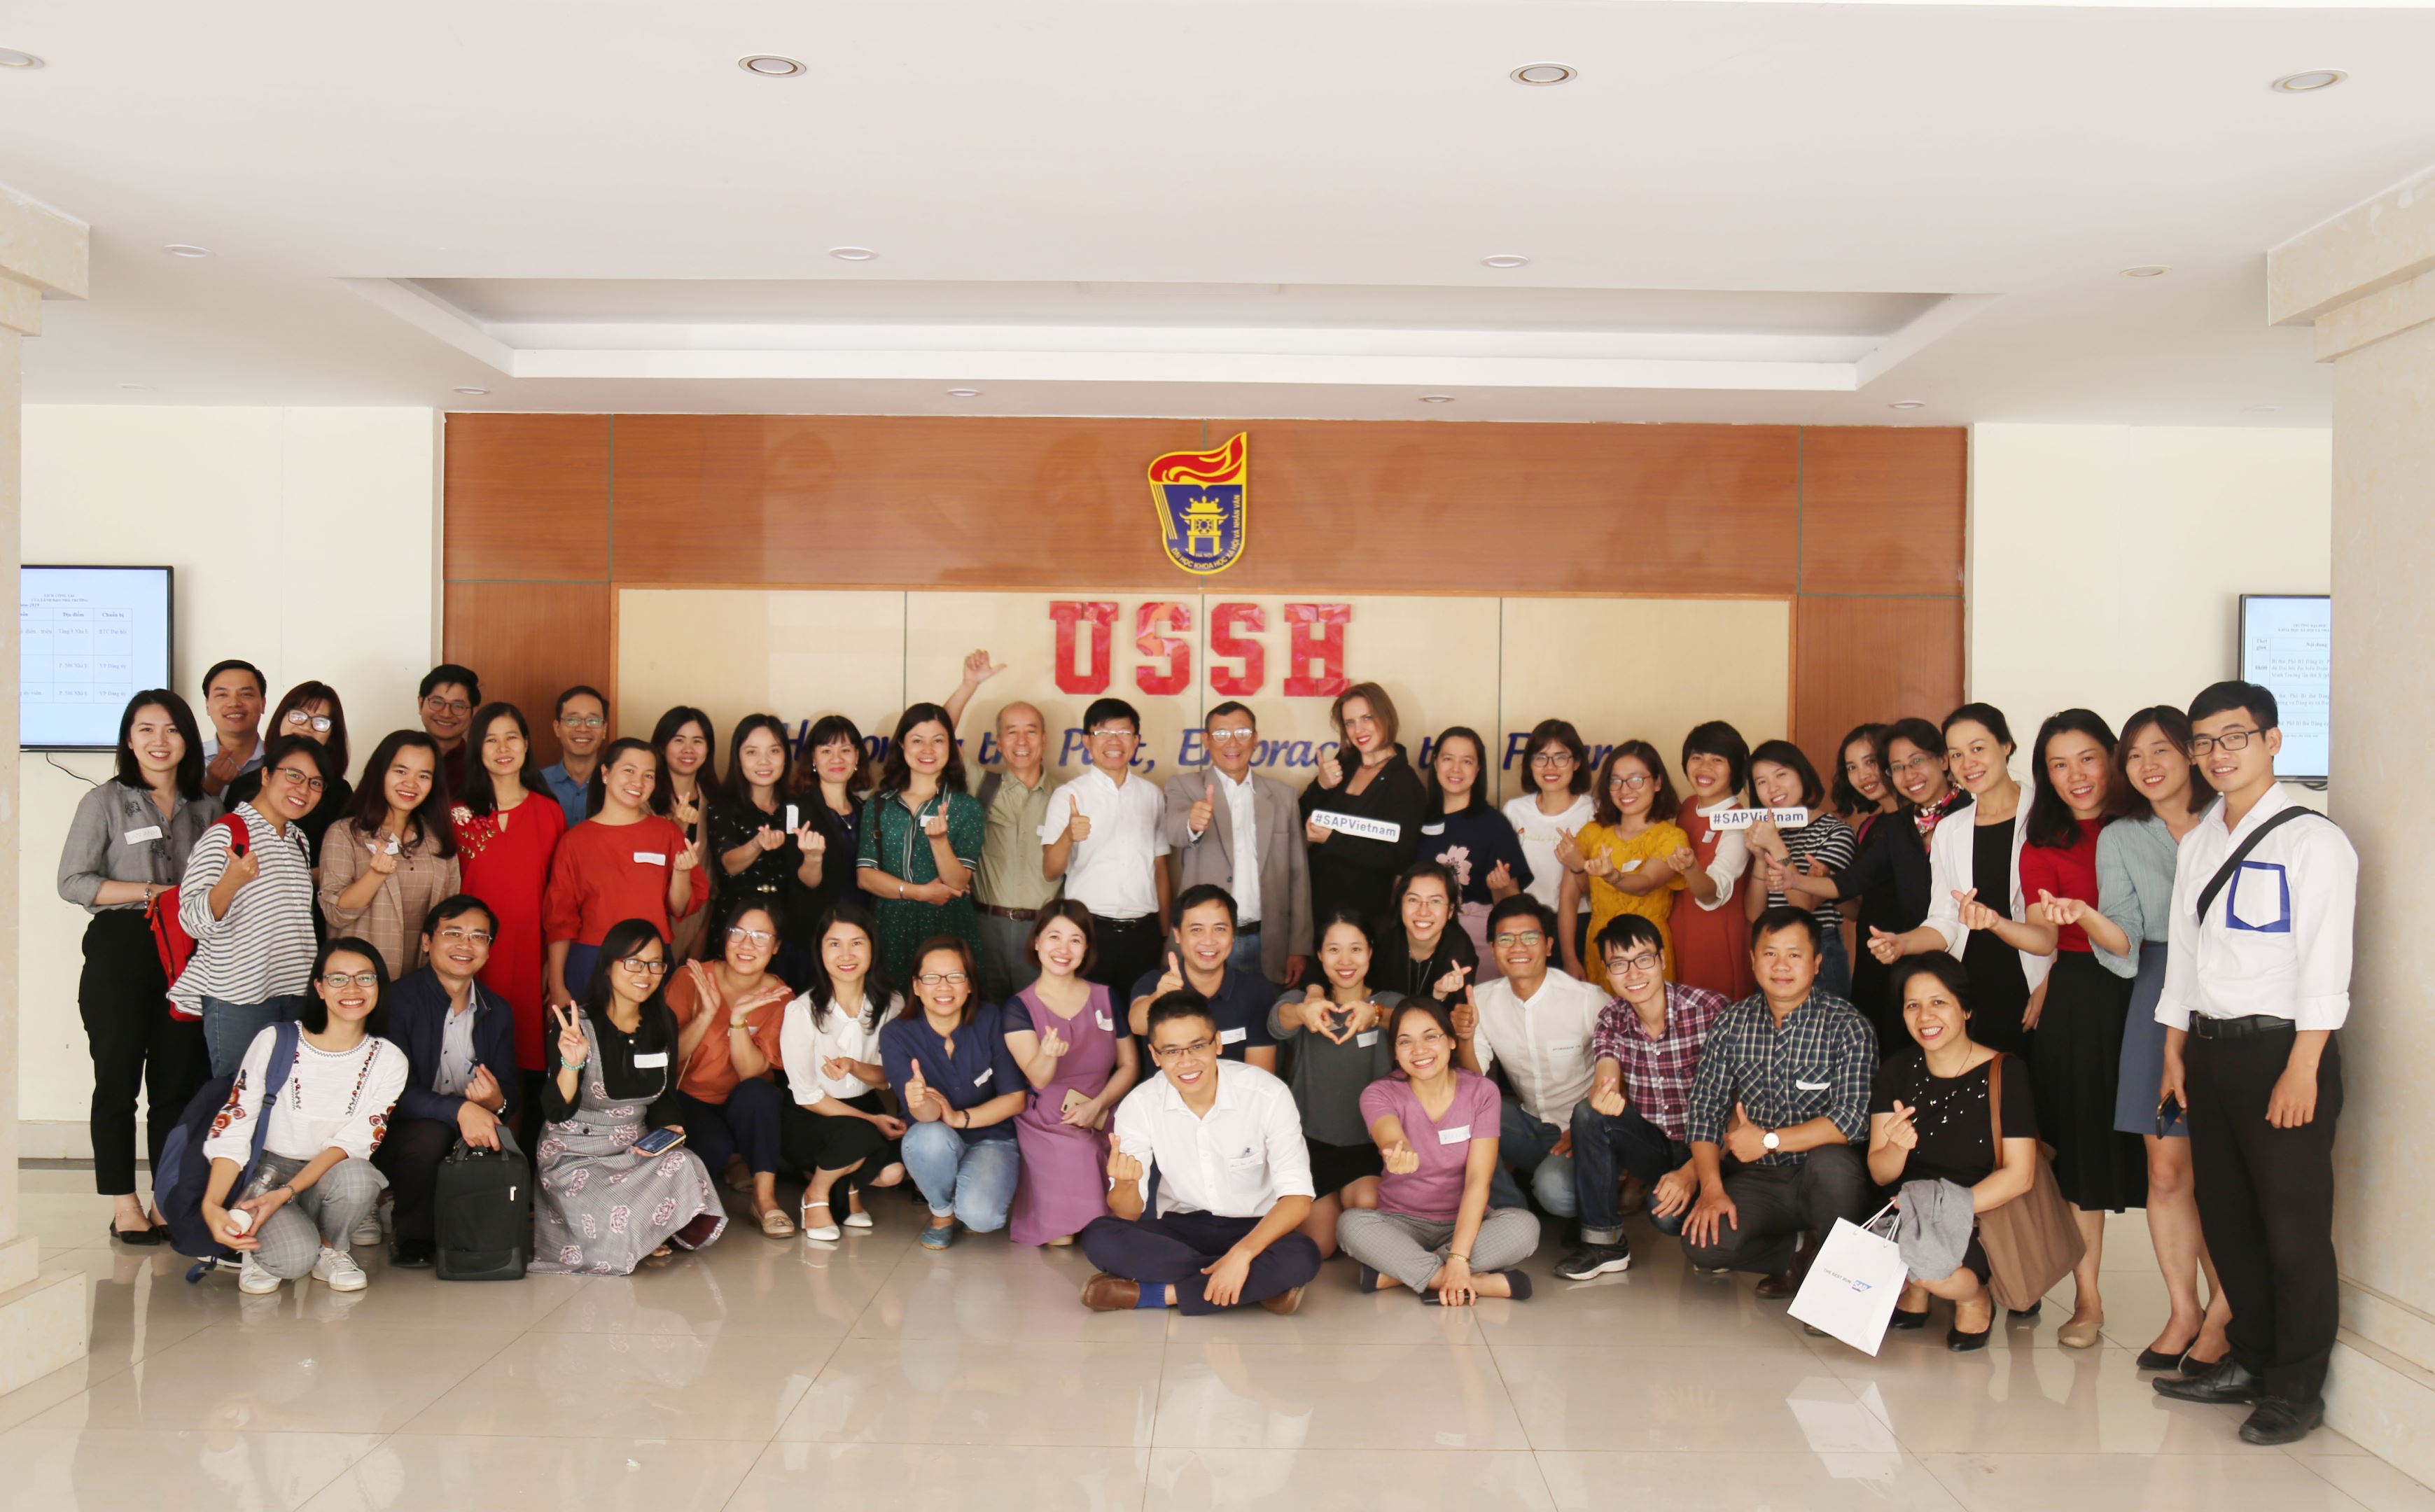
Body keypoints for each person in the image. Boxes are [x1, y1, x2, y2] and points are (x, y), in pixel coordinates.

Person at [2151, 681, 2355, 1446]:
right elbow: (2185, 957)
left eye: (2233, 737)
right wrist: (2173, 1050)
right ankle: (2252, 1359)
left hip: (2283, 1052)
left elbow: (2326, 962)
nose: (2217, 754)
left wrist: (2304, 1067)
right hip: (2208, 1050)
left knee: (2292, 1228)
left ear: (2271, 741)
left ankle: (2297, 1389)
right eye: (2204, 742)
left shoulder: (2313, 841)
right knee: (2229, 1218)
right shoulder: (2200, 840)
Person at [2045, 706, 2229, 1371]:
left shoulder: (2231, 817)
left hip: (2232, 985)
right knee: (2166, 1168)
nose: (2147, 766)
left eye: (2162, 751)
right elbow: (2123, 941)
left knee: (2223, 1169)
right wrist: (2086, 916)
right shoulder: (2122, 836)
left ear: (2192, 754)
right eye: (2135, 755)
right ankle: (2184, 1311)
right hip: (2156, 986)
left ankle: (2228, 1313)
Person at [57, 690, 220, 1242]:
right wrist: (155, 892)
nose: (159, 741)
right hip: (122, 948)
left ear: (188, 740)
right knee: (117, 1078)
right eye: (146, 729)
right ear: (129, 740)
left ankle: (165, 1198)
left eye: (171, 729)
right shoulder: (104, 801)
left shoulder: (207, 808)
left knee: (175, 1082)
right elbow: (72, 882)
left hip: (188, 953)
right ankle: (123, 1202)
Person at [2014, 709, 2149, 1348]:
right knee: (2083, 1152)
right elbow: (2045, 935)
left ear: (2113, 756)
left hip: (2153, 987)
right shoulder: (2043, 841)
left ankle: (2207, 1309)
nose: (2076, 776)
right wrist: (2041, 969)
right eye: (2058, 765)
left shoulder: (2150, 822)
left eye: (2088, 758)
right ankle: (2088, 1299)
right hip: (2080, 996)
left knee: (2173, 1156)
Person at [1078, 990, 1321, 1314]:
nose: (1187, 1061)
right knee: (1100, 1237)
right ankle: (1256, 1286)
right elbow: (1128, 1214)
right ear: (1155, 1055)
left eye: (1197, 1046)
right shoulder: (1139, 1105)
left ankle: (1159, 1294)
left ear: (1217, 1043)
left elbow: (1298, 1198)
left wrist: (1243, 1254)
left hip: (1254, 1227)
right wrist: (1125, 1184)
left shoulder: (1267, 1094)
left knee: (1304, 1255)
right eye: (1172, 1051)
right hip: (1183, 1227)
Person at [1680, 907, 1876, 1294]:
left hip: (1822, 1176)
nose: (1781, 965)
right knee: (1703, 1244)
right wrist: (1711, 1188)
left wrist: (1769, 1140)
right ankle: (1798, 1255)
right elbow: (1705, 1111)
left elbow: (1853, 1120)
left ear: (1817, 963)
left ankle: (1834, 1276)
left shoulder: (1849, 1026)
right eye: (1770, 954)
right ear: (1753, 960)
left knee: (1834, 1166)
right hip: (1759, 1178)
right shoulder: (1731, 1023)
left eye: (1794, 955)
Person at [200, 937, 407, 1296]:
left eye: (365, 978)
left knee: (359, 1177)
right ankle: (264, 1251)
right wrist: (211, 1204)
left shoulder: (389, 1059)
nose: (352, 989)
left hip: (328, 1174)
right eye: (338, 978)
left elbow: (354, 1143)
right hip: (266, 1173)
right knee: (292, 1261)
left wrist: (287, 1194)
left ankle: (330, 1248)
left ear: (379, 986)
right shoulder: (277, 1040)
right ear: (319, 988)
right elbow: (236, 1123)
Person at [1866, 955, 2042, 1350]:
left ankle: (1973, 1297)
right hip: (1906, 1204)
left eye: (1938, 1002)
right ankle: (1916, 1287)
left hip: (1979, 1211)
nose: (1925, 1016)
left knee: (1931, 1269)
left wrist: (1943, 1208)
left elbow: (2021, 1175)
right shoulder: (1896, 1070)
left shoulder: (2005, 1073)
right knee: (1872, 1256)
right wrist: (1896, 1147)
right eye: (1913, 1005)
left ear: (1966, 1009)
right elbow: (1880, 1172)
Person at [533, 919, 727, 1272]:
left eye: (655, 964)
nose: (646, 974)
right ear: (609, 966)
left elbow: (664, 1095)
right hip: (576, 1154)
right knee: (613, 1208)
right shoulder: (574, 1024)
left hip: (634, 1151)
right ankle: (642, 1232)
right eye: (634, 962)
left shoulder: (662, 1021)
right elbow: (557, 1110)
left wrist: (669, 1130)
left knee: (685, 1164)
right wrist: (572, 1063)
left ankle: (643, 1230)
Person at [1866, 704, 2051, 1056]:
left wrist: (2050, 984)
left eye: (1978, 748)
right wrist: (1902, 943)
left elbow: (2071, 916)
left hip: (2036, 982)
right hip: (1974, 987)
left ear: (2006, 745)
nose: (1968, 763)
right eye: (1956, 754)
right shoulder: (1950, 829)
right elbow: (1945, 920)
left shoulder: (2047, 814)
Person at [1556, 915, 1729, 1281]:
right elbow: (1605, 1073)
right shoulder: (1612, 1017)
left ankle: (1724, 1232)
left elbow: (1741, 1112)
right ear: (1607, 972)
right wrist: (1602, 1095)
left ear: (1662, 960)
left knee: (1666, 1217)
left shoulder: (1710, 1010)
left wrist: (1691, 1172)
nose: (1633, 973)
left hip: (1715, 1148)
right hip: (1658, 1145)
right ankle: (1605, 1245)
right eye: (1619, 964)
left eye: (1643, 959)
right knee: (1589, 1114)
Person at [1340, 999, 1541, 1302]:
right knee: (1351, 1225)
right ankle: (1469, 1282)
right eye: (1405, 1041)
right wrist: (1397, 1149)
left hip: (1467, 1221)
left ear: (1451, 1041)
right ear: (1395, 1052)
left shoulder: (1482, 1092)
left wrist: (1459, 1256)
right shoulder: (1380, 1093)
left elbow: (1478, 1180)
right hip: (1401, 1222)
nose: (1419, 1050)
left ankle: (1400, 1274)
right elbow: (1388, 1132)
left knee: (1524, 1227)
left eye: (1430, 1037)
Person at [1799, 718, 1963, 1053]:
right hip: (1887, 953)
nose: (1864, 775)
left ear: (1943, 760)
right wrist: (1796, 876)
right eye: (1852, 767)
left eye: (1871, 762)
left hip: (1946, 952)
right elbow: (1856, 890)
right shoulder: (1888, 826)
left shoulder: (1967, 814)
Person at [375, 897, 519, 1268]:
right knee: (430, 1136)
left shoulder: (498, 1010)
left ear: (489, 948)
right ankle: (413, 1238)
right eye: (453, 933)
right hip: (399, 1132)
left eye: (478, 937)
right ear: (427, 942)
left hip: (469, 1129)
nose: (465, 945)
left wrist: (496, 1101)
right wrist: (460, 1110)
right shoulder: (397, 1001)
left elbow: (511, 1092)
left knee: (501, 1135)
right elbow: (390, 1093)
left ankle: (479, 1234)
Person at [448, 701, 568, 1142]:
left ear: (526, 744)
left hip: (529, 954)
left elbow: (558, 898)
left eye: (511, 738)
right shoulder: (458, 815)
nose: (502, 749)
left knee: (521, 1056)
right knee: (468, 1054)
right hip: (469, 956)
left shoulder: (548, 811)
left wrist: (552, 967)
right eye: (491, 740)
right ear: (477, 750)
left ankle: (513, 1159)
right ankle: (470, 1155)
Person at [175, 734, 323, 1076]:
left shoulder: (298, 839)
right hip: (238, 999)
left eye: (315, 783)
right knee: (238, 1097)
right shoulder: (227, 833)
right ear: (266, 775)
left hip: (295, 992)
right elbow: (191, 920)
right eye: (294, 775)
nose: (303, 789)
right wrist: (231, 881)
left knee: (288, 1096)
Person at [1459, 895, 1610, 1217]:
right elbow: (1475, 1077)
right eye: (1505, 939)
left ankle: (1594, 1191)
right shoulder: (1482, 1000)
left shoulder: (1587, 999)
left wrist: (1588, 1126)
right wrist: (1465, 1037)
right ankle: (1512, 1213)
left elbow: (1623, 1073)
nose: (1518, 947)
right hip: (1528, 1122)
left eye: (1530, 937)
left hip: (1587, 1128)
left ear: (1549, 946)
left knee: (1555, 1191)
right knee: (1462, 1115)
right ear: (1493, 948)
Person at [1005, 903, 1141, 1246]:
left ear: (1087, 948)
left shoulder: (1105, 996)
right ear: (1037, 942)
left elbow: (1129, 1065)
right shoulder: (1020, 1007)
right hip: (1051, 1121)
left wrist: (1098, 1105)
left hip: (1105, 1111)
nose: (1063, 949)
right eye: (1054, 937)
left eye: (1075, 940)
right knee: (1063, 1238)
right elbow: (1038, 1078)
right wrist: (1048, 1055)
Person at [881, 936, 1026, 1249]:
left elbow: (1015, 1099)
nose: (944, 987)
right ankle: (942, 1212)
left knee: (982, 1219)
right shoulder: (896, 1035)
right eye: (931, 978)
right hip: (935, 1136)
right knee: (926, 1138)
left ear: (970, 984)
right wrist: (920, 1100)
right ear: (916, 986)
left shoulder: (990, 1019)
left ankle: (967, 1195)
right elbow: (925, 1117)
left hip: (992, 1137)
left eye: (955, 976)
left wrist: (960, 1118)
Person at [662, 897, 797, 1236]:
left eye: (761, 937)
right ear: (725, 936)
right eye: (738, 932)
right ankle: (729, 1163)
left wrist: (738, 1021)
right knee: (713, 1148)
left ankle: (764, 1200)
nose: (747, 945)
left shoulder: (781, 997)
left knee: (760, 1094)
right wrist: (707, 1015)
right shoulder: (692, 978)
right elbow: (669, 1058)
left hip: (746, 1105)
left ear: (776, 946)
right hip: (692, 1098)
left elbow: (752, 1073)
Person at [1269, 909, 1398, 1258]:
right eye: (1334, 950)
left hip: (1368, 1148)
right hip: (1313, 1146)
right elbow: (1277, 1021)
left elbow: (1415, 1020)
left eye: (1355, 949)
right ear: (1320, 955)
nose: (1345, 961)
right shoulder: (1304, 1002)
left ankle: (1354, 1220)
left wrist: (1376, 1014)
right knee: (1320, 1247)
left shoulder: (1388, 1003)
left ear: (1370, 952)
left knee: (1367, 1203)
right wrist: (1304, 1011)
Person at [776, 902, 908, 1240]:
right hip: (811, 1114)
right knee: (861, 1135)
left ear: (872, 947)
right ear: (820, 951)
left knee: (894, 1172)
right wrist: (871, 1121)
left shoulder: (892, 1004)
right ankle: (817, 1194)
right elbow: (807, 1096)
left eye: (857, 943)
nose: (846, 955)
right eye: (834, 944)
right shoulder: (801, 1011)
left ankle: (847, 1185)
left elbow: (888, 1077)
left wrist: (853, 1067)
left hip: (865, 1105)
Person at [543, 736, 706, 1010]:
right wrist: (557, 985)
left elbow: (680, 908)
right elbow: (560, 919)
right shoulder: (575, 841)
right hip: (592, 959)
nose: (638, 782)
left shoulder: (667, 833)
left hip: (651, 962)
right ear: (605, 774)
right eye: (629, 770)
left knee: (651, 1035)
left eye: (648, 775)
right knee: (590, 1037)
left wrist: (680, 872)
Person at [1165, 700, 1315, 989]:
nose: (1232, 743)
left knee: (1267, 1014)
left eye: (1242, 733)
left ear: (1255, 738)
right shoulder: (1185, 786)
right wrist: (1192, 822)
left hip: (1268, 941)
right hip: (1206, 942)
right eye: (1221, 734)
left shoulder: (1282, 796)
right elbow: (1173, 831)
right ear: (1206, 740)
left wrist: (1299, 945)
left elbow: (1298, 875)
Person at [951, 656, 1062, 1004]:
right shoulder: (981, 785)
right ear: (998, 742)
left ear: (1044, 739)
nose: (1021, 740)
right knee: (983, 1017)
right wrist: (969, 684)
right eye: (1011, 732)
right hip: (985, 926)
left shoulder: (1067, 796)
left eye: (1031, 730)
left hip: (1043, 932)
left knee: (1038, 1021)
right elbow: (936, 736)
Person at [1042, 695, 1171, 994]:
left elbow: (1161, 869)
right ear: (1087, 741)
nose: (1114, 741)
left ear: (1136, 741)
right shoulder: (1069, 795)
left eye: (1124, 733)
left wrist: (1166, 935)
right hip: (1089, 931)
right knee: (1090, 1015)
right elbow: (1050, 871)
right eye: (1103, 732)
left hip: (1144, 933)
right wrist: (1068, 836)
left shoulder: (1152, 795)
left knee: (1142, 1013)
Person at [317, 730, 463, 979]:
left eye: (423, 776)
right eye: (401, 771)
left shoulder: (438, 839)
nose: (411, 784)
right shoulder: (344, 834)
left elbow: (450, 914)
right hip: (362, 983)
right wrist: (375, 874)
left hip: (422, 981)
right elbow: (335, 913)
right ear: (380, 772)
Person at [859, 704, 984, 985]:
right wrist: (919, 893)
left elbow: (957, 882)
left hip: (947, 926)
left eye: (938, 741)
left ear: (951, 747)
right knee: (891, 1004)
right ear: (902, 745)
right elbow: (865, 877)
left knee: (946, 1002)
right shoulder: (880, 804)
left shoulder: (966, 807)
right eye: (917, 740)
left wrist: (939, 842)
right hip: (890, 925)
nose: (928, 750)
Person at [1298, 683, 1427, 935]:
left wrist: (1333, 839)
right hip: (1315, 907)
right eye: (1350, 722)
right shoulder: (1344, 763)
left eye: (1367, 718)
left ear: (1386, 717)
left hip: (1363, 918)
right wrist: (1321, 786)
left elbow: (1399, 859)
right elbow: (1299, 815)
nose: (1359, 730)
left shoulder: (1406, 784)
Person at [1558, 741, 1690, 981]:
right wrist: (1569, 958)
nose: (1625, 790)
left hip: (1647, 948)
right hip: (1599, 946)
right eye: (1616, 781)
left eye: (1636, 780)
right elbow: (1569, 898)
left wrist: (1612, 876)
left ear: (1657, 783)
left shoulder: (1671, 837)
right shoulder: (1592, 832)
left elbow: (1645, 883)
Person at [709, 713, 828, 976]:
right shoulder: (723, 806)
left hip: (790, 926)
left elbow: (810, 882)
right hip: (738, 924)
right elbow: (729, 864)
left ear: (785, 756)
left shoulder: (799, 806)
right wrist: (757, 844)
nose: (764, 761)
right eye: (752, 752)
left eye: (773, 751)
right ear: (738, 758)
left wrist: (813, 857)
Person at [1743, 740, 1860, 999]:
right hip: (1771, 948)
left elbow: (1804, 906)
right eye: (1761, 782)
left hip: (1818, 948)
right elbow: (1754, 913)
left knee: (1824, 1025)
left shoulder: (1835, 831)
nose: (1772, 788)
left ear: (1802, 775)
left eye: (1781, 775)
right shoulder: (1768, 833)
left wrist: (1776, 846)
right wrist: (1760, 859)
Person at [1126, 885, 1279, 1070]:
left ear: (1233, 934)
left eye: (1220, 929)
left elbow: (1259, 1076)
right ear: (1177, 934)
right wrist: (1160, 997)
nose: (1209, 941)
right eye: (1197, 930)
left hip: (1235, 1090)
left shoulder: (1257, 992)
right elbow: (1137, 1024)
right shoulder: (1153, 982)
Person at [1419, 725, 1531, 960]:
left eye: (1467, 761)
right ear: (1436, 763)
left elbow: (1513, 903)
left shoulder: (1495, 825)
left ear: (1478, 768)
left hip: (1477, 943)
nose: (1456, 769)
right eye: (1448, 759)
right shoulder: (1416, 819)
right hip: (1421, 937)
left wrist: (1501, 889)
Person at [1668, 720, 1759, 1004]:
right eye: (1697, 758)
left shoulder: (1738, 822)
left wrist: (1691, 868)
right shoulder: (1688, 806)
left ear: (1735, 768)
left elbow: (1712, 894)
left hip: (1716, 941)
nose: (1704, 768)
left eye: (1717, 760)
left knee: (1714, 1016)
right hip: (1681, 932)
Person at [224, 680, 354, 856]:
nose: (306, 727)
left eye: (321, 722)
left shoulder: (339, 793)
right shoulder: (242, 787)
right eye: (298, 715)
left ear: (332, 735)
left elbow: (342, 859)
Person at [1502, 718, 1596, 953]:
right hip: (1528, 924)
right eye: (1541, 757)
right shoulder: (1514, 810)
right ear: (1530, 763)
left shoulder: (1594, 811)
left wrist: (1579, 865)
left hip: (1581, 922)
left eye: (1560, 757)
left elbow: (1602, 891)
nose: (1550, 766)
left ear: (1576, 763)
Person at [786, 715, 872, 939]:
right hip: (817, 931)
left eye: (845, 750)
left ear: (857, 756)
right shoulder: (794, 810)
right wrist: (813, 858)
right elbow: (802, 882)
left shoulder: (867, 810)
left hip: (862, 927)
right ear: (813, 758)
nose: (837, 759)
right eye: (826, 751)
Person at [647, 706, 720, 960]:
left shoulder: (716, 803)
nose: (688, 749)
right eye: (679, 740)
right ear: (661, 746)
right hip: (650, 926)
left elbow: (714, 882)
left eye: (697, 741)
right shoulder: (643, 801)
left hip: (697, 926)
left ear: (708, 749)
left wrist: (700, 939)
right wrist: (677, 827)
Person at [1369, 861, 1478, 1009]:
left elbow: (1454, 1015)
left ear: (1451, 911)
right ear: (1401, 905)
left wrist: (1440, 996)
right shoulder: (1379, 936)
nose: (1423, 912)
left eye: (1435, 901)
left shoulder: (1461, 952)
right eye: (1413, 900)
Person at [540, 685, 609, 831]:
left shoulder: (618, 785)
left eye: (593, 721)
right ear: (557, 728)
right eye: (572, 720)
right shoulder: (537, 783)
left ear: (604, 730)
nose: (583, 728)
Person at [198, 658, 267, 800]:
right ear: (207, 706)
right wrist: (211, 786)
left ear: (263, 704)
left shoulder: (281, 759)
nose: (234, 703)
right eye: (222, 695)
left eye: (246, 694)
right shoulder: (187, 760)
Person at [416, 663, 482, 796]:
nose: (446, 714)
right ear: (420, 704)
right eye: (437, 702)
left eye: (458, 706)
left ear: (473, 712)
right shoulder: (395, 757)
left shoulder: (482, 766)